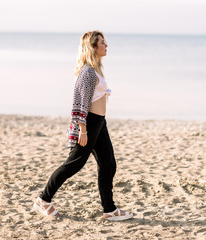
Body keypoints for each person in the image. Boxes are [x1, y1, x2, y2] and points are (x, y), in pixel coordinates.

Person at [33, 30, 133, 221]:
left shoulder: (94, 70)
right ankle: (43, 199)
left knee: (108, 164)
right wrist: (83, 129)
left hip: (99, 123)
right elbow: (81, 102)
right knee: (74, 164)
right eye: (102, 43)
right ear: (93, 47)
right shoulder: (87, 72)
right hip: (90, 124)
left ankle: (109, 210)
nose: (106, 45)